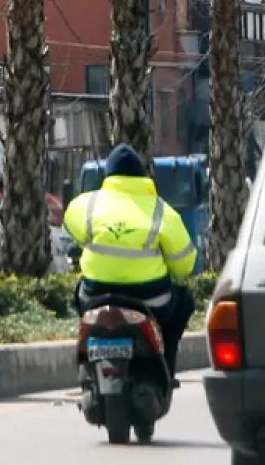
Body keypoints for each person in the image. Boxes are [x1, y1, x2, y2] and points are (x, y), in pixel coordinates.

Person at [64, 144, 197, 382]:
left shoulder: (87, 204)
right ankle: (166, 369)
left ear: (108, 175)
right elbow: (184, 264)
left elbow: (70, 229)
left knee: (76, 295)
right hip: (151, 299)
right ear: (142, 176)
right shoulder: (161, 211)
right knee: (184, 303)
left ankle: (86, 363)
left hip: (95, 295)